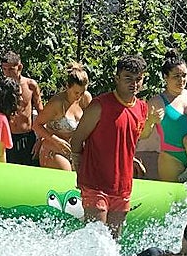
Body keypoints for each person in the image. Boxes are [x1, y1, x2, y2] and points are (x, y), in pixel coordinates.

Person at [68, 55, 162, 239]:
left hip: (122, 186)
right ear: (116, 78)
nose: (134, 83)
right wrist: (79, 167)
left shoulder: (142, 107)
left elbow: (136, 136)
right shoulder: (100, 106)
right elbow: (77, 140)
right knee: (95, 241)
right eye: (128, 78)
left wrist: (151, 123)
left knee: (113, 242)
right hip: (96, 183)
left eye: (138, 79)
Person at [144, 49, 187, 184]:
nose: (181, 80)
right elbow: (144, 134)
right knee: (172, 200)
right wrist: (150, 121)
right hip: (172, 157)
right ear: (165, 77)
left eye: (184, 75)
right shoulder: (157, 102)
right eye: (176, 76)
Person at [32, 63, 92, 172]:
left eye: (82, 92)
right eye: (76, 92)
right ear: (67, 87)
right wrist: (56, 140)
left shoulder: (85, 98)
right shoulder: (56, 103)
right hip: (54, 148)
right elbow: (36, 125)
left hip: (76, 150)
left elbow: (92, 123)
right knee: (66, 178)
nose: (79, 96)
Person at [0, 50, 44, 166]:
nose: (7, 73)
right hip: (7, 137)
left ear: (20, 67)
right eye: (4, 69)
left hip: (27, 137)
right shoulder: (1, 87)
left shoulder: (30, 85)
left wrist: (41, 139)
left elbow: (42, 113)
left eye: (11, 69)